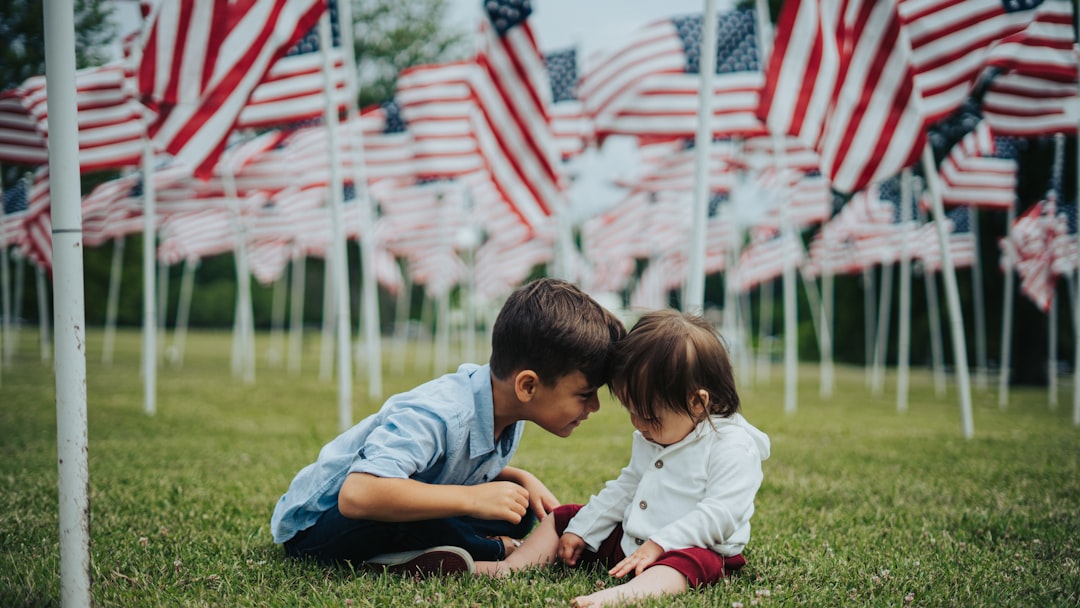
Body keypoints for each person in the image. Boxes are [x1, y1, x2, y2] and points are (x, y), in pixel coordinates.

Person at [270, 278, 627, 576]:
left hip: (394, 501)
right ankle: (487, 552)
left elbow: (445, 464)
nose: (593, 406)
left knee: (517, 516)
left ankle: (426, 551)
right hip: (319, 527)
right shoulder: (440, 413)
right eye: (584, 394)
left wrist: (518, 478)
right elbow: (358, 494)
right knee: (436, 518)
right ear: (528, 386)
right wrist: (473, 498)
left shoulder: (505, 406)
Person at [475, 309, 771, 607]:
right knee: (565, 517)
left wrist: (660, 545)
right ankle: (511, 567)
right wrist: (583, 529)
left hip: (691, 549)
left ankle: (622, 595)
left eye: (649, 417)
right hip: (633, 540)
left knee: (689, 563)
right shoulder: (654, 434)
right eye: (631, 411)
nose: (638, 425)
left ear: (697, 402)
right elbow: (626, 487)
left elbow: (720, 514)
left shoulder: (732, 446)